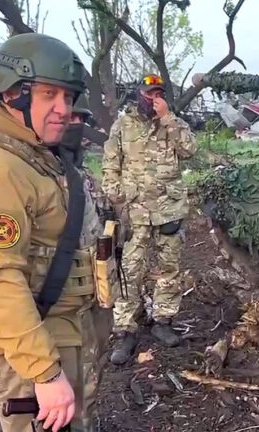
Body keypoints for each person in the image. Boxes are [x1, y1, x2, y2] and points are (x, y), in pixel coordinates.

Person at [0, 33, 112, 432]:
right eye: (49, 95)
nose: (63, 110)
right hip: (30, 346)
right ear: (12, 94)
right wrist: (45, 374)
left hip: (52, 331)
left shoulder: (31, 155)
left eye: (68, 97)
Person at [102, 74, 197, 364]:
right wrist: (117, 194)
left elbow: (191, 150)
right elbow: (109, 164)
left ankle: (163, 322)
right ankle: (126, 331)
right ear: (138, 95)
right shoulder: (123, 126)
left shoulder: (172, 123)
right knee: (129, 270)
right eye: (149, 93)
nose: (153, 98)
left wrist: (169, 119)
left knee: (169, 268)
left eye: (158, 93)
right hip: (135, 212)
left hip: (169, 208)